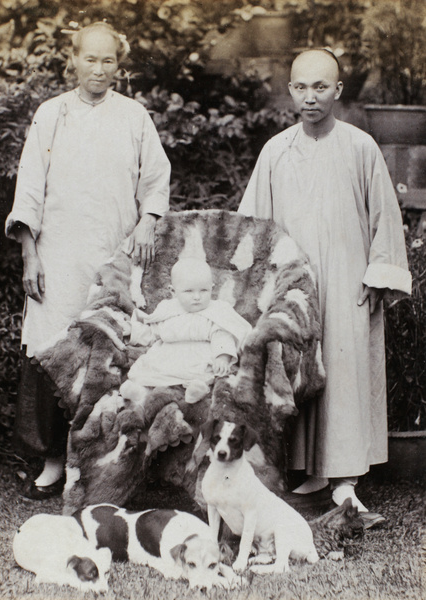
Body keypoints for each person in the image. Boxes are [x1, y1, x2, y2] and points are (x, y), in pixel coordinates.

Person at [238, 49, 411, 527]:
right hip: (295, 288)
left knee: (343, 373)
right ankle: (307, 478)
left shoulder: (360, 148)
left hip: (348, 282)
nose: (310, 97)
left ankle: (344, 486)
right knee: (297, 373)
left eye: (320, 87)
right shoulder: (275, 151)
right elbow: (254, 224)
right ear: (290, 90)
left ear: (338, 90)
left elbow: (384, 219)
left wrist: (379, 274)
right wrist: (258, 284)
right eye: (301, 87)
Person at [5, 22, 170, 499]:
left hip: (113, 260)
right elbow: (30, 189)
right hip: (57, 258)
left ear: (120, 66)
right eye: (90, 59)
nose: (99, 69)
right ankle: (53, 461)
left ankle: (101, 465)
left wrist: (147, 221)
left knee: (109, 357)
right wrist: (29, 255)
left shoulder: (135, 117)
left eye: (108, 61)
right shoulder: (50, 115)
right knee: (50, 351)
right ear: (72, 60)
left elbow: (156, 180)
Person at [122, 258, 252, 404]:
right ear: (173, 291)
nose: (197, 297)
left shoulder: (216, 311)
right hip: (167, 356)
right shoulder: (167, 309)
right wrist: (132, 331)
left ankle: (196, 390)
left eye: (204, 290)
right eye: (189, 291)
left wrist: (222, 357)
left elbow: (222, 335)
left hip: (198, 356)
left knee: (202, 373)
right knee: (149, 371)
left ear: (212, 288)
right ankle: (140, 391)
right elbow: (154, 332)